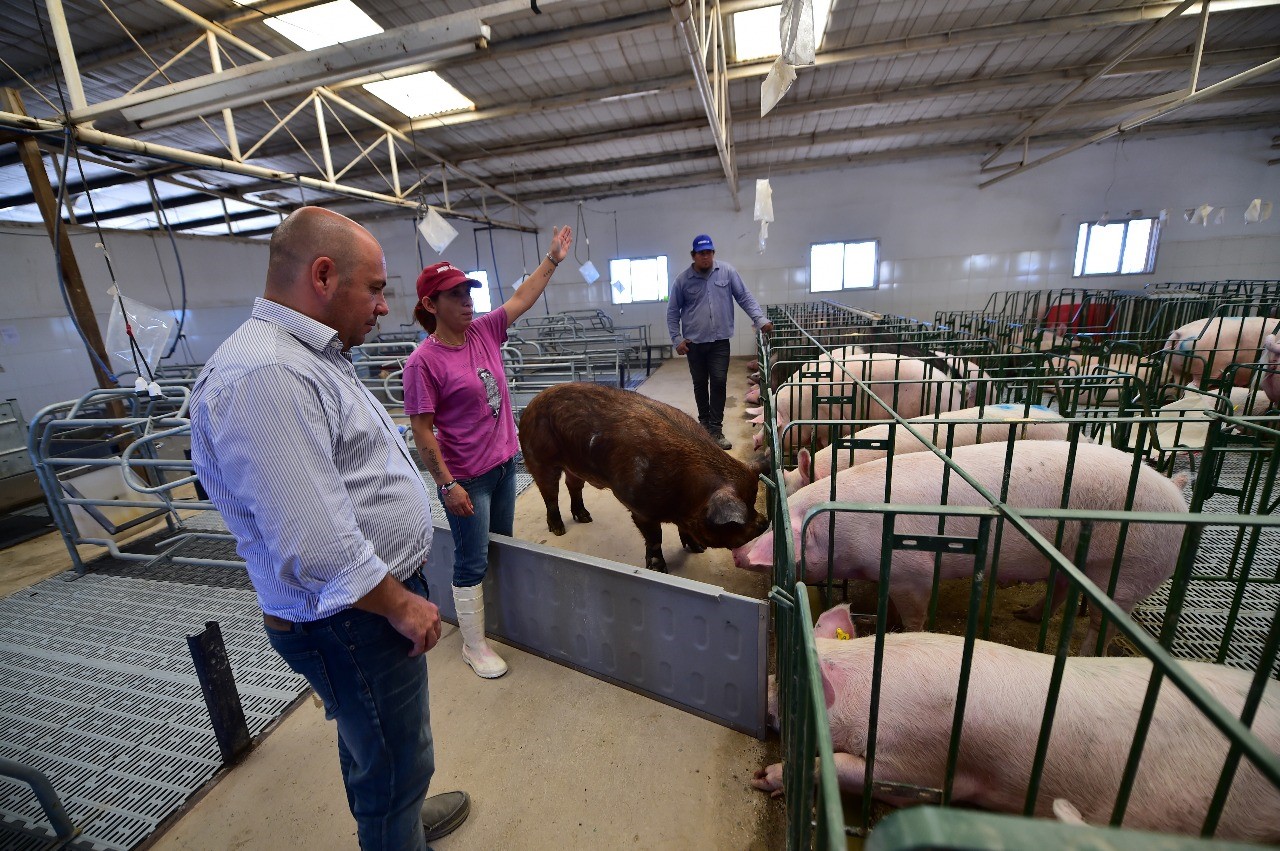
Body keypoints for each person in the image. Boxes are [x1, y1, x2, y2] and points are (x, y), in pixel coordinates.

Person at [188, 206, 469, 851]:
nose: (382, 306)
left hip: (364, 608)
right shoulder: (266, 374)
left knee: (377, 738)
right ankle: (395, 821)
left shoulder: (309, 353)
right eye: (373, 288)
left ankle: (397, 814)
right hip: (353, 616)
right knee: (394, 754)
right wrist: (400, 602)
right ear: (322, 275)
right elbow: (312, 542)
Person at [403, 226, 573, 679]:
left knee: (501, 548)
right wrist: (447, 484)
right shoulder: (423, 362)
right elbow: (422, 430)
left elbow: (523, 298)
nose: (466, 300)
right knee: (472, 559)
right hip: (467, 480)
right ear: (430, 305)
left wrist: (552, 260)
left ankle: (498, 621)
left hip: (502, 467)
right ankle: (474, 646)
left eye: (467, 291)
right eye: (454, 295)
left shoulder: (483, 331)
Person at [666, 234, 773, 450]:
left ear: (713, 254)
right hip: (694, 343)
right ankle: (704, 425)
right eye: (701, 253)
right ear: (693, 255)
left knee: (718, 382)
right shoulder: (682, 280)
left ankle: (715, 429)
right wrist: (677, 339)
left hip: (719, 341)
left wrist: (759, 319)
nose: (706, 257)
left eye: (709, 253)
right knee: (699, 384)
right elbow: (672, 312)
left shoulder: (727, 272)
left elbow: (744, 297)